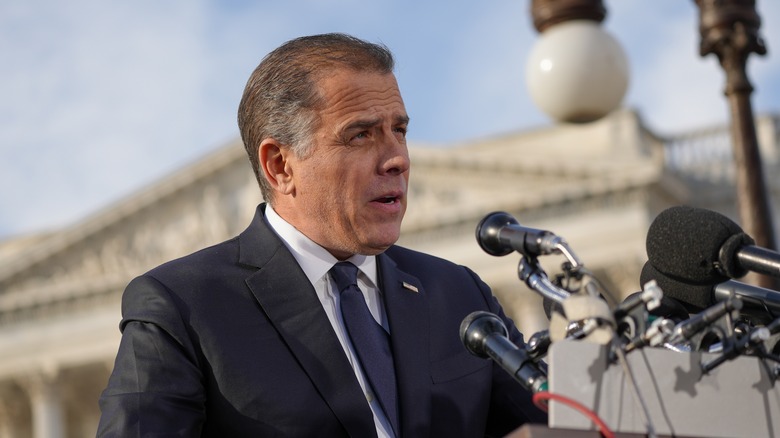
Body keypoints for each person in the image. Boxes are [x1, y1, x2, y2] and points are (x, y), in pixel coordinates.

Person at [97, 32, 547, 437]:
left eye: (400, 130)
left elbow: (555, 425)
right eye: (360, 135)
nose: (397, 159)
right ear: (280, 166)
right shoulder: (182, 307)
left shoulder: (457, 293)